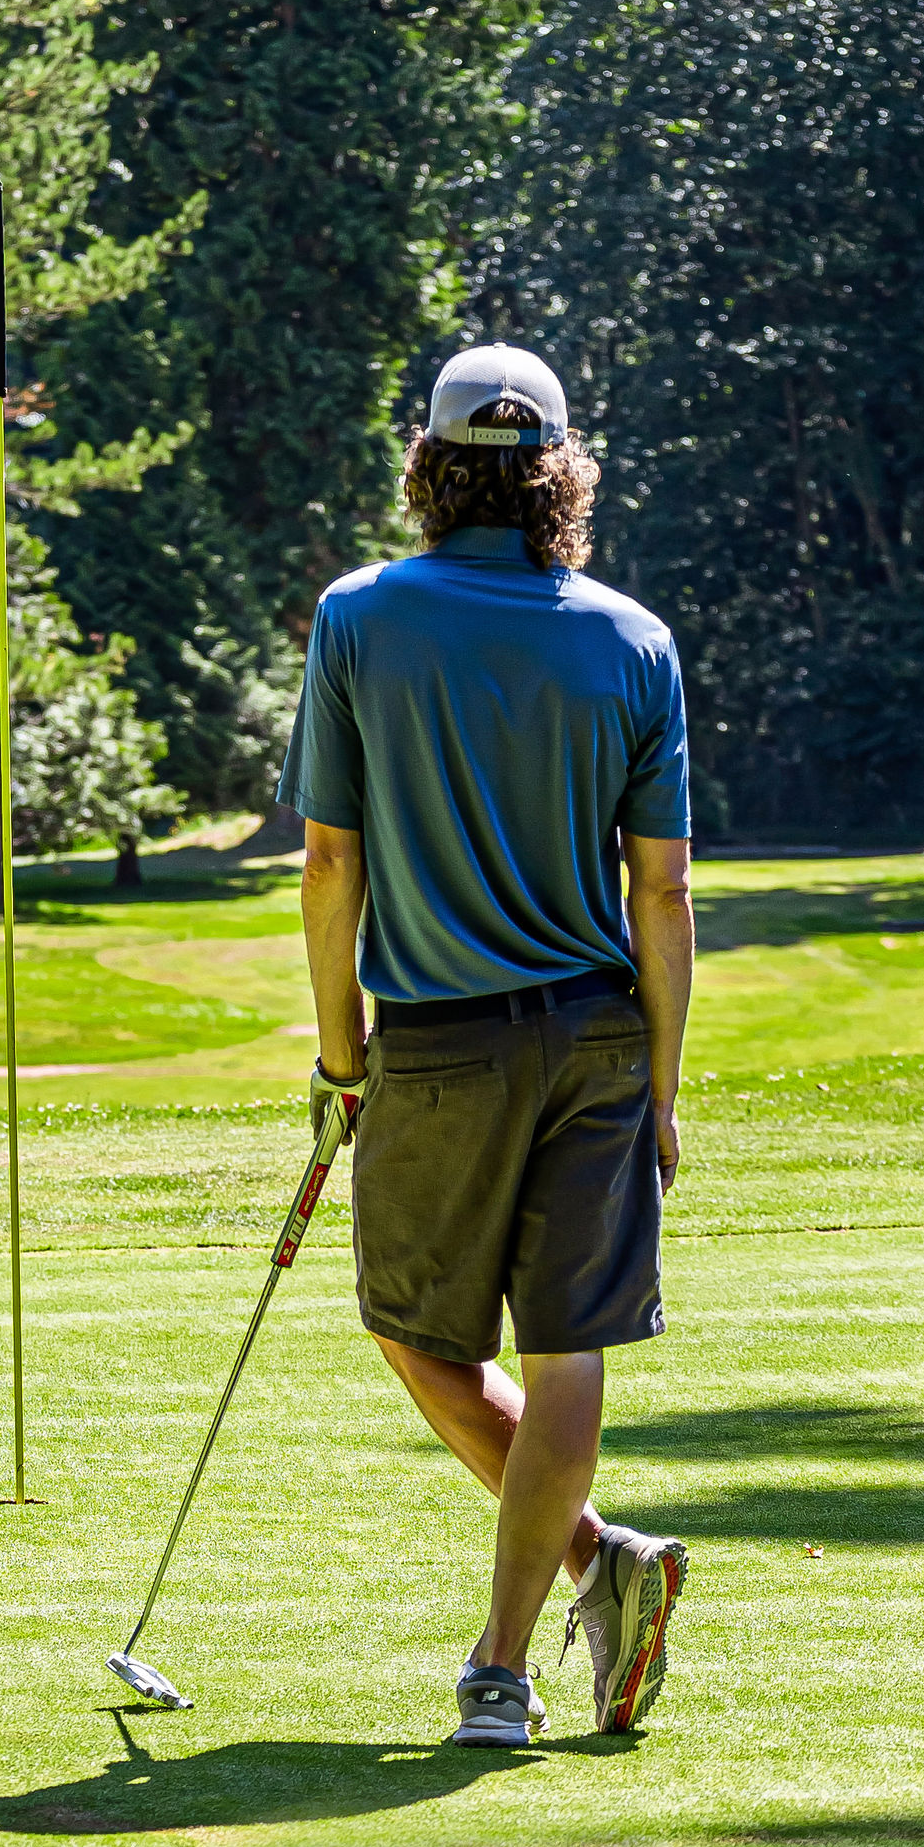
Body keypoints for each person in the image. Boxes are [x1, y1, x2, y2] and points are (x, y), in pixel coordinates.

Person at [277, 342, 695, 1748]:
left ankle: (562, 1604)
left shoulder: (358, 617)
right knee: (568, 1348)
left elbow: (330, 866)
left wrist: (343, 1061)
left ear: (431, 469)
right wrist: (669, 1089)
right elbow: (663, 891)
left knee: (416, 1332)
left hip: (439, 1044)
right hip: (599, 1040)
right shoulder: (634, 638)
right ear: (557, 475)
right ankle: (528, 1646)